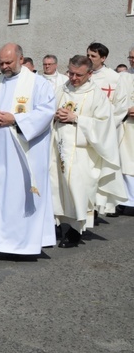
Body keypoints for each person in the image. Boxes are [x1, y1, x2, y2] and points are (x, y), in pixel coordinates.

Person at [0, 43, 56, 261]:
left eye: (9, 62)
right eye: (1, 63)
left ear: (21, 59)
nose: (4, 67)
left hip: (22, 156)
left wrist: (15, 119)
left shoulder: (38, 84)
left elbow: (46, 112)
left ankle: (17, 245)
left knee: (16, 201)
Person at [50, 56, 123, 248]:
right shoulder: (61, 89)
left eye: (78, 75)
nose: (73, 78)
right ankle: (57, 224)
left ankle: (75, 230)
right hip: (58, 148)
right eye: (71, 73)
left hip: (83, 153)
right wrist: (54, 115)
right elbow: (48, 110)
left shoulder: (96, 95)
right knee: (56, 187)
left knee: (78, 191)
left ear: (89, 74)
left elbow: (104, 125)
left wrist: (76, 118)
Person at [86, 42, 130, 218]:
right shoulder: (84, 75)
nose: (89, 59)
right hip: (86, 128)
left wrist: (107, 124)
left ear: (103, 58)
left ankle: (99, 206)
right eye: (88, 55)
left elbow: (121, 107)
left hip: (106, 130)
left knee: (101, 169)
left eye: (93, 56)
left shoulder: (114, 78)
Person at [117, 46, 134, 216]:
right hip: (127, 126)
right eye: (130, 57)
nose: (132, 60)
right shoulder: (123, 77)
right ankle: (126, 201)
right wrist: (126, 111)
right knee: (126, 163)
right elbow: (117, 101)